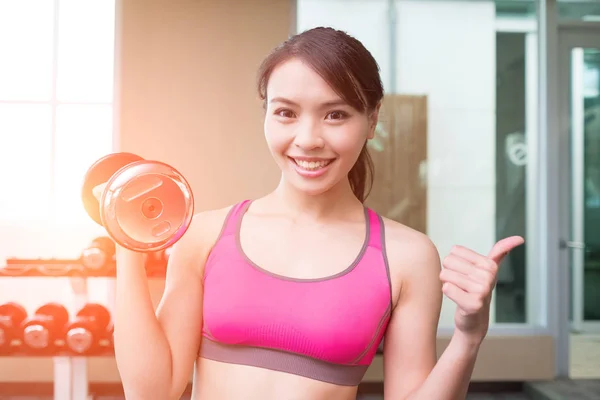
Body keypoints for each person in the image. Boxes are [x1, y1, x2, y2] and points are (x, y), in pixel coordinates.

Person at [109, 27, 524, 400]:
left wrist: (468, 338)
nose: (308, 140)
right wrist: (127, 244)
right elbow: (151, 392)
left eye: (336, 114)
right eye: (286, 112)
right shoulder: (204, 235)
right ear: (266, 114)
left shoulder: (406, 256)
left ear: (372, 119)